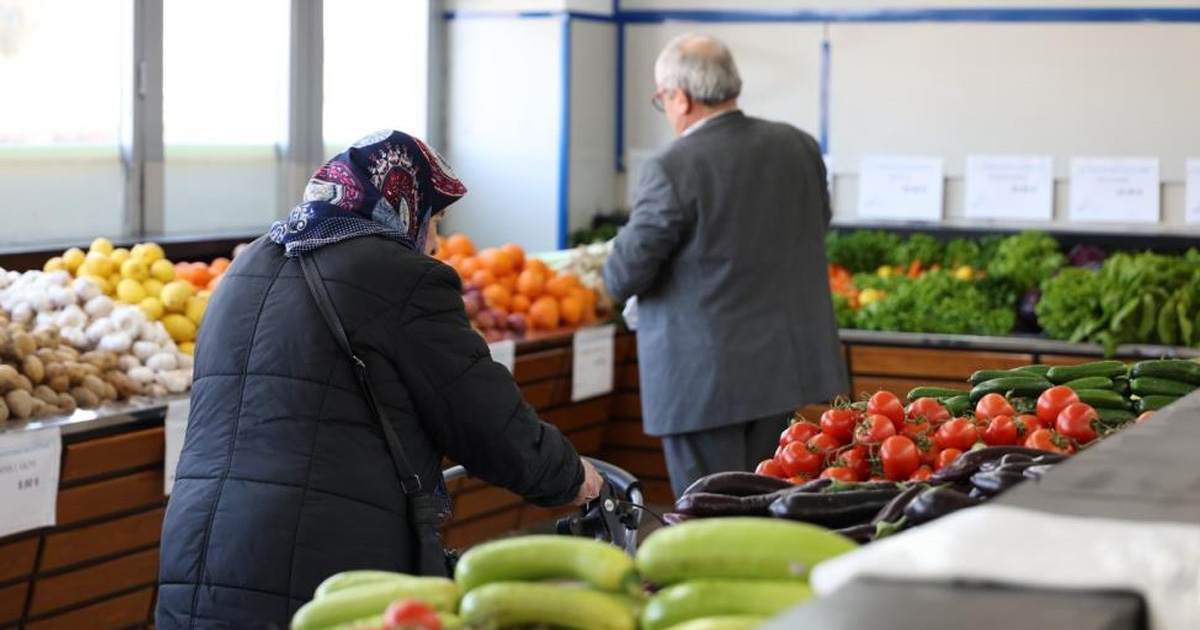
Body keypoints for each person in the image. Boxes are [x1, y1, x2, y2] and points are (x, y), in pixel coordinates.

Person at [157, 130, 603, 630]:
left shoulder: (246, 269)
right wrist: (572, 477)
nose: (434, 242)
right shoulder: (401, 275)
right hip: (317, 567)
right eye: (434, 219)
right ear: (402, 204)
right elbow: (485, 417)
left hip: (193, 554)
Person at [603, 35, 847, 497]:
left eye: (663, 99)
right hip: (782, 371)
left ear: (682, 96)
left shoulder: (674, 166)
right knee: (769, 505)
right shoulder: (798, 146)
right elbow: (817, 225)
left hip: (702, 381)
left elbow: (624, 274)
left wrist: (616, 250)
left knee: (711, 518)